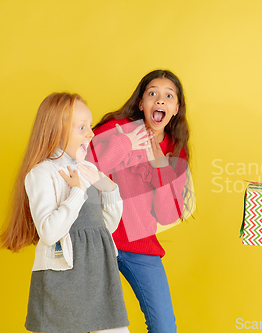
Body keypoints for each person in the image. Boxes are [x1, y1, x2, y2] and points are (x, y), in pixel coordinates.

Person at [0, 92, 129, 333]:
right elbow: (49, 233)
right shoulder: (41, 174)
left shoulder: (87, 168)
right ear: (55, 132)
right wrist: (77, 193)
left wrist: (109, 189)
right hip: (63, 279)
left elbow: (104, 228)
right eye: (82, 128)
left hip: (99, 273)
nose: (91, 133)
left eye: (89, 126)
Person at [89, 69, 193, 333]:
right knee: (96, 326)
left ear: (176, 108)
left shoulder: (175, 149)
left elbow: (168, 215)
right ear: (141, 103)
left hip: (140, 245)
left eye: (168, 96)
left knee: (165, 328)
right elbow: (84, 169)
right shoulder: (116, 129)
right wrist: (124, 144)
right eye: (152, 94)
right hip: (97, 241)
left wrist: (160, 165)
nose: (160, 100)